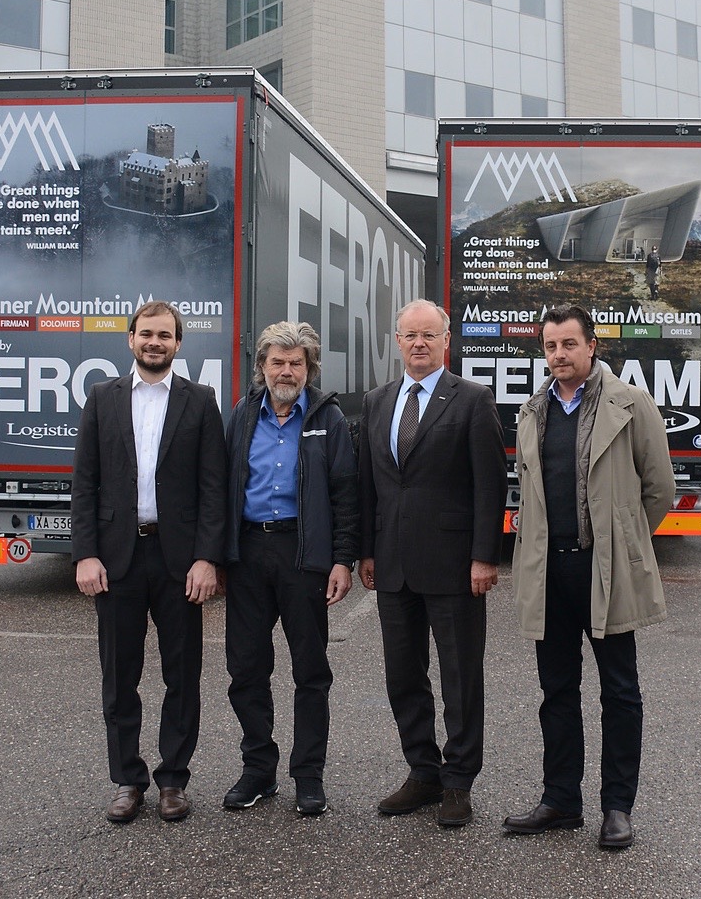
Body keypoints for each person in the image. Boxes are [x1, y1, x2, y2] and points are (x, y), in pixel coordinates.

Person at [502, 304, 675, 850]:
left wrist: (623, 545)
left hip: (605, 572)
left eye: (569, 344)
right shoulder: (533, 412)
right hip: (548, 572)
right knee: (557, 691)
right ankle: (561, 801)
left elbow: (659, 488)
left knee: (620, 691)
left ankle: (617, 808)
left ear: (591, 345)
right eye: (551, 347)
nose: (559, 355)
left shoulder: (630, 403)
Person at [71, 300, 227, 824]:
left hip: (178, 560)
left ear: (179, 343)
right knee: (120, 677)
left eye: (165, 335)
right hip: (117, 559)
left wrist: (207, 559)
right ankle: (128, 780)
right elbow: (84, 484)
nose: (154, 342)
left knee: (182, 674)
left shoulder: (201, 401)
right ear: (130, 340)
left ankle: (173, 781)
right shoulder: (102, 398)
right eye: (146, 334)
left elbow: (214, 488)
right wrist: (86, 553)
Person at [358, 299, 507, 828]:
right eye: (409, 335)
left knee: (460, 677)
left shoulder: (471, 400)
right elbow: (369, 484)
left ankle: (458, 782)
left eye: (428, 335)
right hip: (393, 566)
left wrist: (486, 556)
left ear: (446, 340)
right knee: (403, 675)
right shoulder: (377, 402)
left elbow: (490, 484)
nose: (418, 343)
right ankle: (422, 772)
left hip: (454, 567)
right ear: (396, 340)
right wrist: (367, 551)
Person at [221, 321, 359, 817]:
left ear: (309, 368)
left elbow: (346, 494)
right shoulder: (241, 416)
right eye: (277, 361)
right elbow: (222, 487)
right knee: (246, 669)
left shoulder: (330, 418)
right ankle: (258, 770)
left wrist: (342, 560)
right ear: (262, 367)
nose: (286, 370)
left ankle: (308, 776)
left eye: (295, 362)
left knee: (310, 671)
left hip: (303, 557)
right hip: (249, 556)